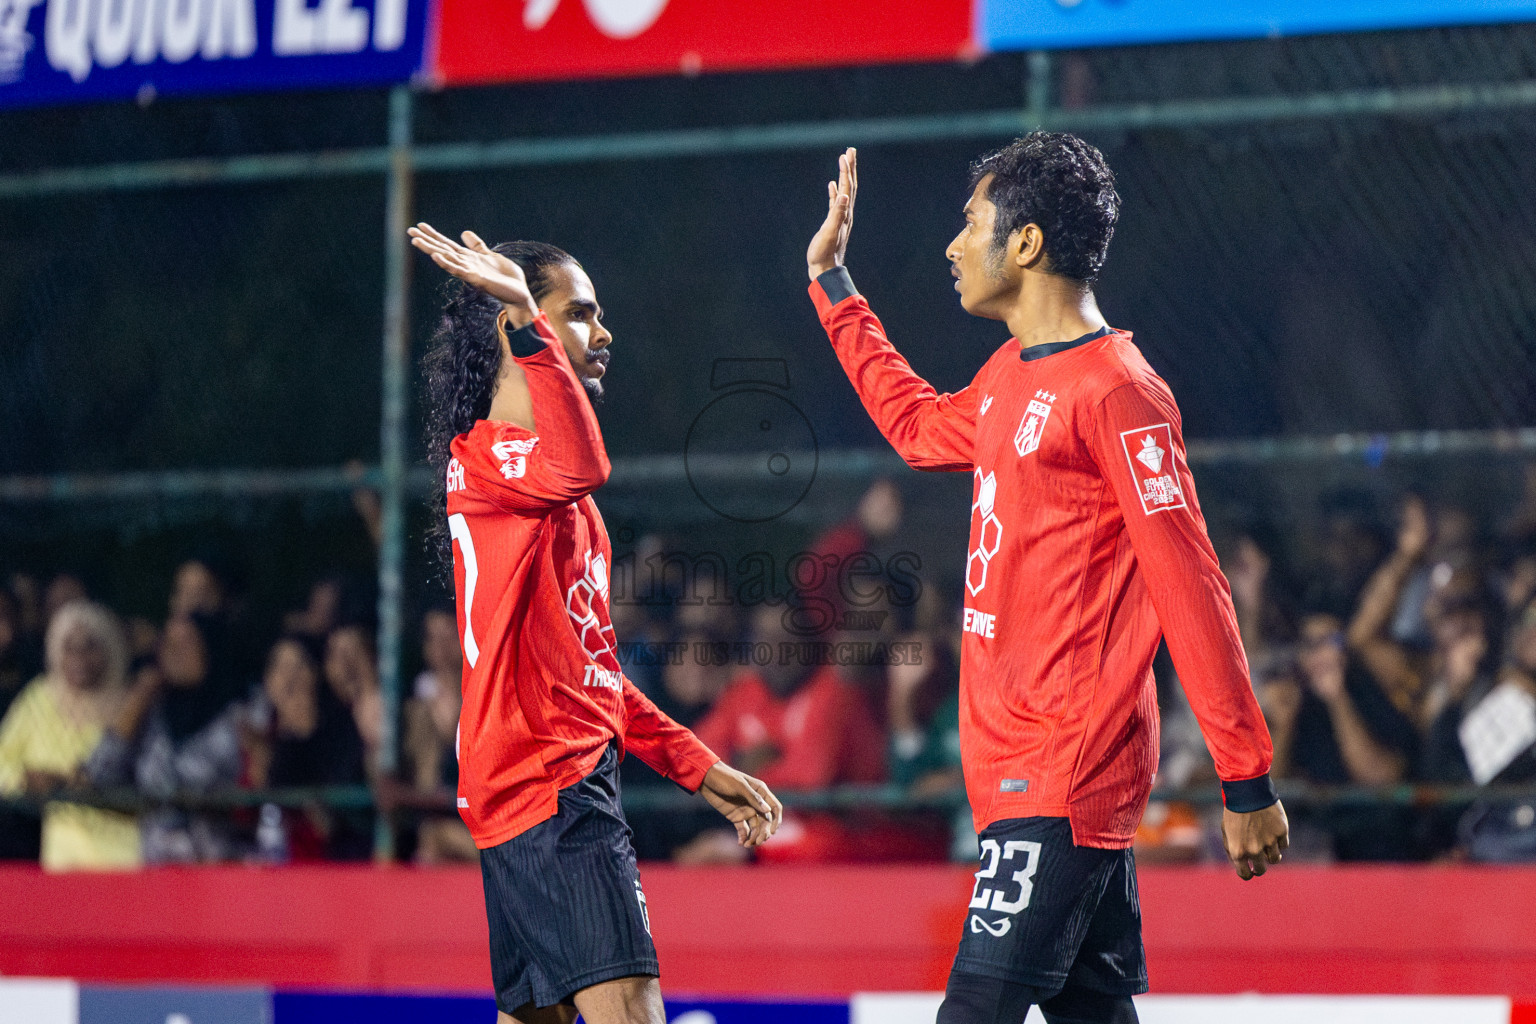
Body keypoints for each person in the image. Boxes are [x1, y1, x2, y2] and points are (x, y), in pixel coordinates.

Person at [804, 137, 1288, 1023]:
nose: (953, 245)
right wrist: (837, 290)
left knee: (974, 1010)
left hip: (1065, 770)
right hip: (1013, 771)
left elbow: (1193, 586)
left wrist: (1244, 776)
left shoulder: (1120, 392)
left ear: (1024, 244)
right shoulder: (1007, 377)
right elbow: (916, 428)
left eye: (971, 222)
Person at [410, 222, 782, 1024]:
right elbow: (584, 461)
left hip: (536, 793)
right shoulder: (490, 462)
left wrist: (696, 765)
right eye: (577, 313)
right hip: (554, 793)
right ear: (520, 330)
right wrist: (527, 321)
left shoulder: (550, 492)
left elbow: (592, 672)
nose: (602, 330)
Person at [85, 614, 247, 863]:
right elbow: (99, 776)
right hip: (158, 877)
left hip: (222, 875)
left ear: (210, 647)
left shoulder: (240, 717)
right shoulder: (152, 719)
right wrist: (136, 701)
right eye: (168, 644)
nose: (175, 652)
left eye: (187, 643)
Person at [0, 600, 140, 870]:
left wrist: (74, 783)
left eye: (90, 646)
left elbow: (148, 780)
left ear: (111, 646)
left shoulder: (132, 704)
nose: (79, 658)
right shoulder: (39, 700)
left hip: (124, 859)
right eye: (68, 647)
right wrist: (25, 779)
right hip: (63, 859)